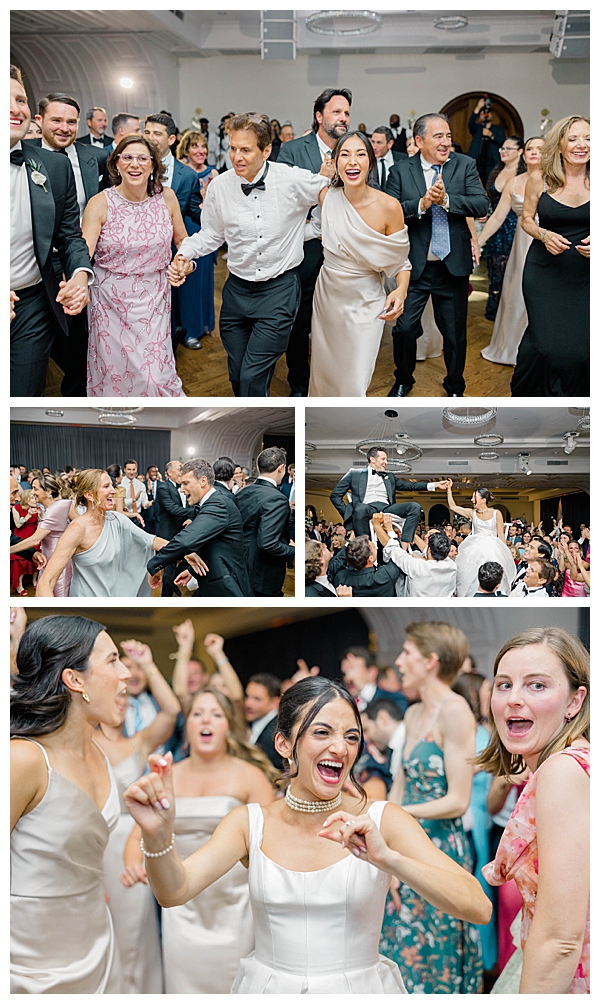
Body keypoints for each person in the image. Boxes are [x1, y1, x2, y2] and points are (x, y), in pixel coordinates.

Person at [123, 676, 491, 994]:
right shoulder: (249, 822)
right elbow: (174, 892)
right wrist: (157, 834)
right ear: (284, 744)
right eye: (321, 732)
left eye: (351, 736)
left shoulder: (383, 820)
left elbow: (478, 906)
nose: (340, 748)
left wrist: (389, 859)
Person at [124, 689, 276, 993]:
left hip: (236, 906)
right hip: (181, 905)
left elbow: (270, 839)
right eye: (197, 713)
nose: (206, 719)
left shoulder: (250, 776)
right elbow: (139, 831)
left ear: (228, 725)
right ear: (187, 724)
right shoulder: (170, 776)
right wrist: (131, 863)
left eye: (216, 714)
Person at [170, 113, 328, 397]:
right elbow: (212, 234)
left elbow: (330, 193)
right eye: (232, 148)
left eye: (246, 150)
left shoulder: (291, 179)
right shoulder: (220, 187)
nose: (236, 157)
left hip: (278, 291)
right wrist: (186, 253)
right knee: (236, 373)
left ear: (266, 150)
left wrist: (311, 229)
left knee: (252, 375)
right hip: (237, 292)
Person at [11, 615, 127, 992]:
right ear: (75, 680)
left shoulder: (103, 756)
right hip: (27, 960)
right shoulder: (23, 761)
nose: (125, 674)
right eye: (112, 661)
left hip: (98, 942)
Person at [478, 627, 589, 993]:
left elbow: (560, 940)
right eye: (504, 684)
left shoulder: (563, 771)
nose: (513, 699)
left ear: (575, 702)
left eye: (536, 685)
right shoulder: (573, 763)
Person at [382, 622, 484, 993]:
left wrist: (403, 815)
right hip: (402, 844)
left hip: (440, 850)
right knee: (401, 944)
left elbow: (458, 800)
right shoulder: (411, 715)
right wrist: (386, 835)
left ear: (431, 661)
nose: (398, 661)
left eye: (407, 653)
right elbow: (400, 784)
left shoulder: (455, 711)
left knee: (435, 951)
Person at [95, 639, 180, 993]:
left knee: (135, 930)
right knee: (102, 934)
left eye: (125, 697)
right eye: (115, 695)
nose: (121, 700)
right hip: (98, 846)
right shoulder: (85, 743)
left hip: (134, 844)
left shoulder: (138, 744)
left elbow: (172, 711)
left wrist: (148, 664)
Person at [386, 113, 489, 397]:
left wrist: (448, 201)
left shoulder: (464, 165)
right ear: (419, 141)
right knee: (404, 329)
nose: (446, 142)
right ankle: (404, 379)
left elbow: (481, 204)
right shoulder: (400, 171)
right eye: (438, 136)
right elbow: (391, 210)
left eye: (447, 136)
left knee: (455, 333)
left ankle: (455, 384)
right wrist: (422, 203)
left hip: (452, 266)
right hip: (415, 267)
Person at [307, 131, 411, 397]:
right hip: (328, 298)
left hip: (366, 301)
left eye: (360, 154)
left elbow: (401, 263)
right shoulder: (325, 197)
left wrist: (400, 291)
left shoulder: (390, 207)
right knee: (324, 379)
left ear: (370, 162)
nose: (352, 161)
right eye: (345, 154)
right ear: (335, 162)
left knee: (353, 383)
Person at [10, 66, 93, 396]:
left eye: (21, 100)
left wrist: (80, 276)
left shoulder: (53, 167)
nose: (16, 109)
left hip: (33, 302)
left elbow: (69, 234)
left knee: (24, 391)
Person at [82, 134, 186, 397]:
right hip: (109, 304)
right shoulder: (100, 203)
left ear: (153, 165)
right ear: (116, 164)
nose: (135, 164)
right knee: (115, 372)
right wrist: (76, 282)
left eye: (143, 158)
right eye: (127, 157)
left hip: (155, 301)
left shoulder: (167, 198)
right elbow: (82, 254)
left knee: (156, 376)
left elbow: (183, 242)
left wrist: (184, 263)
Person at [278, 88, 352, 395]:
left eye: (347, 112)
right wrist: (318, 181)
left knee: (338, 321)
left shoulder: (354, 149)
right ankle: (299, 382)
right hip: (307, 249)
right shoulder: (293, 150)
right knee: (301, 321)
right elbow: (282, 202)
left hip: (345, 252)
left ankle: (334, 380)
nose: (343, 118)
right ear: (319, 117)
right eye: (337, 112)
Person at [511, 116, 589, 397]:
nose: (582, 145)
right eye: (574, 139)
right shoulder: (540, 178)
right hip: (545, 272)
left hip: (587, 276)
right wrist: (543, 235)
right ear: (559, 145)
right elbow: (527, 220)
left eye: (589, 139)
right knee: (546, 345)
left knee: (583, 349)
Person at [35, 469, 171, 597]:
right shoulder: (77, 530)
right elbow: (46, 582)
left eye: (112, 486)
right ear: (89, 495)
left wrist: (185, 552)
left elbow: (153, 541)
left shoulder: (117, 519)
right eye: (106, 486)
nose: (113, 491)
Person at [479, 137, 544, 365]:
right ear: (524, 155)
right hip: (521, 243)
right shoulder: (514, 182)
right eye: (530, 149)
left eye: (540, 148)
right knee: (516, 292)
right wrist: (478, 242)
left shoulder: (557, 182)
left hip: (547, 243)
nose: (534, 152)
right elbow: (497, 216)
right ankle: (512, 347)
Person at [147, 458, 252, 597]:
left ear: (203, 481)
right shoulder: (211, 502)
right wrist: (192, 571)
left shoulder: (218, 504)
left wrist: (153, 565)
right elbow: (211, 545)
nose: (182, 489)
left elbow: (186, 541)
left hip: (227, 585)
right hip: (214, 579)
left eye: (185, 483)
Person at [330, 446, 449, 543]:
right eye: (383, 459)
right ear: (372, 459)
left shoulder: (390, 476)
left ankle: (405, 541)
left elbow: (410, 486)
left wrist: (435, 485)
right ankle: (366, 546)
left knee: (415, 507)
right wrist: (349, 514)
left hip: (387, 508)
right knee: (359, 508)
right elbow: (335, 495)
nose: (386, 462)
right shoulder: (354, 474)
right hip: (366, 508)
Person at [175, 130, 219, 348]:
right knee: (188, 284)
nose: (200, 150)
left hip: (207, 228)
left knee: (204, 281)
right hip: (187, 228)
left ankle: (202, 325)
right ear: (186, 150)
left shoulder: (214, 173)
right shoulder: (180, 172)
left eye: (203, 146)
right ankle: (187, 329)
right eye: (195, 146)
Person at [235, 446, 295, 596]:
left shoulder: (242, 492)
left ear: (257, 467)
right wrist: (295, 551)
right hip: (263, 573)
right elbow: (268, 543)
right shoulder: (277, 498)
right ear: (281, 468)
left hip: (239, 566)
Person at [9, 473, 78, 596]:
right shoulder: (54, 507)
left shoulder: (55, 509)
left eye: (35, 489)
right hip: (48, 556)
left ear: (48, 491)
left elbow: (35, 540)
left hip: (56, 557)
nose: (32, 492)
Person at [481, 135, 523, 320]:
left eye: (508, 149)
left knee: (513, 274)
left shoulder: (523, 175)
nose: (503, 152)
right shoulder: (496, 171)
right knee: (495, 272)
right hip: (496, 228)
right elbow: (491, 201)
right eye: (502, 149)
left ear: (520, 152)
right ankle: (495, 312)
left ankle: (510, 313)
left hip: (514, 228)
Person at [447, 482, 515, 597]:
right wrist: (449, 490)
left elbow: (501, 535)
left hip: (493, 548)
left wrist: (505, 554)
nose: (472, 499)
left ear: (483, 500)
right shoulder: (472, 513)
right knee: (469, 574)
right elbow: (453, 507)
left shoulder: (496, 513)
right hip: (475, 548)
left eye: (474, 497)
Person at [374, 515, 457, 597]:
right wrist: (410, 532)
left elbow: (393, 548)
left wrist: (378, 525)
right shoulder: (452, 566)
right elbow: (428, 549)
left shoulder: (418, 567)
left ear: (429, 550)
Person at [154, 459, 190, 597]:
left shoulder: (185, 487)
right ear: (169, 472)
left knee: (188, 559)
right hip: (168, 533)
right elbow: (172, 509)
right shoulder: (163, 488)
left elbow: (191, 504)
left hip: (184, 532)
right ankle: (166, 598)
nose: (182, 471)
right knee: (169, 567)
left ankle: (173, 584)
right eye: (179, 468)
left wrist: (192, 517)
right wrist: (194, 513)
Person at [330, 535, 401, 597]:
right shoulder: (384, 575)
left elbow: (337, 561)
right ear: (370, 558)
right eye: (374, 547)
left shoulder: (341, 578)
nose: (376, 548)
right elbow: (398, 554)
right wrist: (390, 530)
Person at [245, 673, 283, 770]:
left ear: (275, 702)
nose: (248, 703)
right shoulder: (252, 722)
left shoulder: (275, 733)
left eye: (257, 699)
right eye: (247, 696)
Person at [467, 97, 505, 185]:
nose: (485, 115)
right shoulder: (477, 128)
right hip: (477, 162)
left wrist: (491, 135)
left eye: (488, 113)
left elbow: (502, 141)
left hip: (492, 163)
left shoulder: (497, 129)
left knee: (490, 183)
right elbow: (470, 124)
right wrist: (478, 108)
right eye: (482, 113)